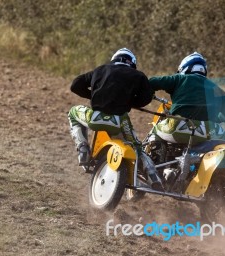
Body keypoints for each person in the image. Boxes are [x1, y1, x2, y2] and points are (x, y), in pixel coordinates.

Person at [68, 48, 164, 191]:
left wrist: (94, 95)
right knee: (137, 147)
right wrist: (129, 101)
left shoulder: (100, 69)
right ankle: (153, 177)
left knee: (73, 112)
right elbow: (146, 98)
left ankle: (82, 148)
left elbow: (75, 85)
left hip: (94, 117)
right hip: (119, 120)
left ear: (114, 59)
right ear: (132, 63)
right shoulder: (138, 75)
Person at [148, 52, 225, 154]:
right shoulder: (215, 88)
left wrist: (143, 92)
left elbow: (153, 82)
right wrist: (217, 118)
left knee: (155, 129)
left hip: (179, 126)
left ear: (184, 68)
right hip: (209, 131)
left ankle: (152, 167)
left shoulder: (180, 79)